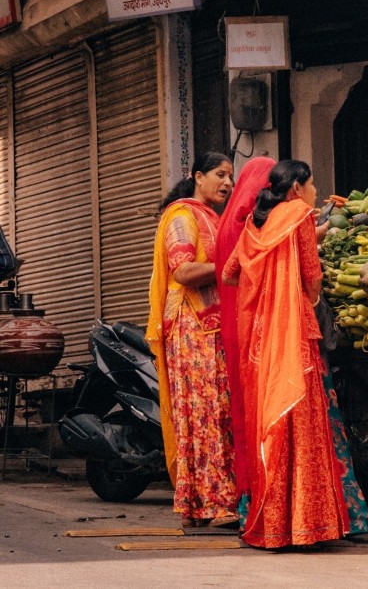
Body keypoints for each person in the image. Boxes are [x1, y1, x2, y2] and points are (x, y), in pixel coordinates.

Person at [222, 160, 368, 549]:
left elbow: (229, 274)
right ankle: (305, 523)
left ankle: (272, 523)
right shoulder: (298, 215)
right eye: (311, 184)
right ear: (295, 190)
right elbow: (312, 275)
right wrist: (300, 298)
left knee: (269, 423)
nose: (315, 191)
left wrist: (267, 284)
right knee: (301, 422)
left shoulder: (255, 224)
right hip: (294, 334)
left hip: (259, 341)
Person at [145, 151, 237, 529]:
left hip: (211, 326)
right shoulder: (182, 217)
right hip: (190, 326)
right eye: (220, 174)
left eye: (231, 176)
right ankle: (211, 504)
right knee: (203, 414)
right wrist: (233, 265)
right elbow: (183, 271)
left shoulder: (214, 217)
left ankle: (202, 504)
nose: (227, 183)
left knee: (214, 413)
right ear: (198, 176)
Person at [214, 155, 276, 528]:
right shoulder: (251, 224)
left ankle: (249, 500)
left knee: (245, 410)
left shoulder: (229, 222)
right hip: (257, 328)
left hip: (236, 328)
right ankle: (267, 500)